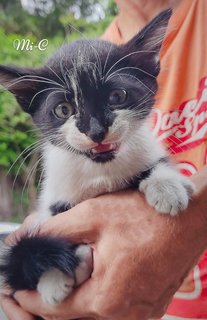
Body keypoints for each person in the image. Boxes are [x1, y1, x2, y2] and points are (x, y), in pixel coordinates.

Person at [1, 0, 207, 319]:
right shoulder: (100, 42)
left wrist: (194, 215)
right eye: (64, 110)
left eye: (116, 98)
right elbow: (58, 218)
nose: (96, 131)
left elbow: (155, 170)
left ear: (149, 64)